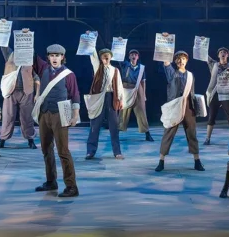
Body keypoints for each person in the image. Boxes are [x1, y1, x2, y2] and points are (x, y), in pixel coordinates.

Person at [32, 44, 80, 197]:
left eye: (57, 55)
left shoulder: (69, 74)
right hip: (44, 113)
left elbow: (75, 95)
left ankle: (72, 187)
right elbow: (31, 55)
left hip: (61, 113)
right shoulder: (43, 69)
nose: (54, 58)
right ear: (48, 57)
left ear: (62, 57)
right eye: (52, 55)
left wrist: (75, 115)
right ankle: (51, 181)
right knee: (46, 149)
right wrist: (26, 37)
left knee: (63, 151)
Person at [155, 44, 205, 172]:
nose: (180, 60)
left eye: (183, 58)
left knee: (192, 134)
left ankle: (197, 161)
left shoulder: (190, 75)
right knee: (168, 133)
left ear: (186, 60)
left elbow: (192, 92)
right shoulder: (171, 73)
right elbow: (166, 61)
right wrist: (165, 42)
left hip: (189, 106)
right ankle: (161, 161)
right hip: (175, 105)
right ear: (175, 61)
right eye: (177, 58)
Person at [83, 32, 124, 160]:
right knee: (95, 125)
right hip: (99, 98)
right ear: (101, 58)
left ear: (110, 57)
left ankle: (117, 152)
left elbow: (119, 85)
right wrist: (91, 38)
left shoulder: (115, 70)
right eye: (103, 57)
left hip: (111, 98)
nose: (105, 58)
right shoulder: (97, 67)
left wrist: (121, 100)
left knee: (114, 126)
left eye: (107, 56)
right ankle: (90, 151)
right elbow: (92, 54)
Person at [0, 29, 40, 149]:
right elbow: (3, 46)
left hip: (27, 92)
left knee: (27, 117)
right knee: (7, 116)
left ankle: (30, 140)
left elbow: (35, 76)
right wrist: (3, 28)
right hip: (11, 91)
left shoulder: (30, 57)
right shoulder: (10, 54)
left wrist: (37, 93)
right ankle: (2, 139)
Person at [203, 47, 229, 145]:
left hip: (226, 93)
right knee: (211, 116)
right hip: (215, 92)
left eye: (225, 52)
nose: (223, 53)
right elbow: (204, 55)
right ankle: (207, 138)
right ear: (218, 55)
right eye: (221, 52)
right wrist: (201, 43)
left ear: (227, 55)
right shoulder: (214, 65)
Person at [118, 48, 154, 141]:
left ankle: (147, 133)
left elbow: (143, 82)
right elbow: (118, 55)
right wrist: (119, 43)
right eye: (132, 54)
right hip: (126, 88)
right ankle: (117, 133)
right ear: (129, 56)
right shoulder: (125, 65)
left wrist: (144, 94)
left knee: (141, 110)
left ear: (138, 57)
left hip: (138, 88)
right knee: (123, 110)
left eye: (135, 54)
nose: (134, 56)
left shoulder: (141, 68)